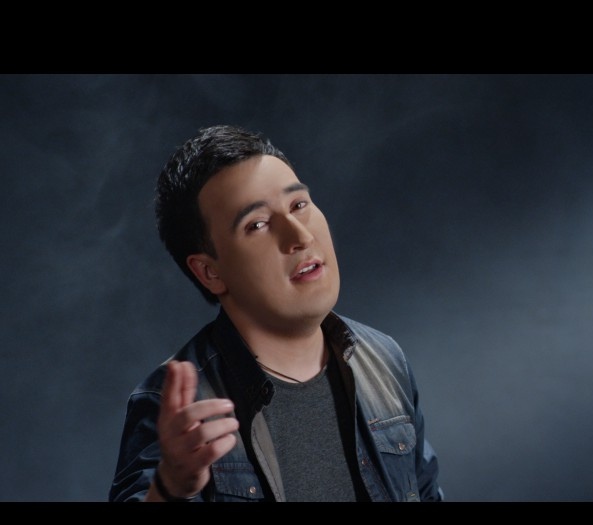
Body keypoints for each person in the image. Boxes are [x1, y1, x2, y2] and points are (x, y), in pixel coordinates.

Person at [109, 125, 443, 502]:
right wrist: (169, 488)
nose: (300, 236)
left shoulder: (383, 359)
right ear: (209, 272)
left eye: (299, 205)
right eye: (258, 225)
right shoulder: (173, 402)